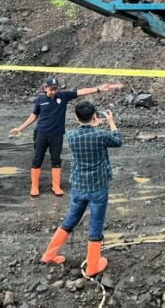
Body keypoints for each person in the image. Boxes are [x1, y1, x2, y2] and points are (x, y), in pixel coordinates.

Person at [40, 101, 122, 277]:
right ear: (94, 116)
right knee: (96, 225)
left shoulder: (71, 135)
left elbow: (87, 134)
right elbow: (118, 141)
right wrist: (111, 122)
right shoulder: (100, 135)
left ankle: (49, 255)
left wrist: (93, 123)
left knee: (71, 219)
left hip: (78, 186)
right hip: (97, 187)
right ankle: (93, 266)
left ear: (77, 118)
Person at [10, 77, 123, 197]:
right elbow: (34, 116)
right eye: (51, 89)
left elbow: (80, 92)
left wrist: (98, 89)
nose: (53, 92)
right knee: (37, 159)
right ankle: (34, 186)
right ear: (45, 88)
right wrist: (20, 128)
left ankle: (56, 186)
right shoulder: (40, 100)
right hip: (41, 134)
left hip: (57, 135)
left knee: (56, 160)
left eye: (55, 89)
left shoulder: (63, 96)